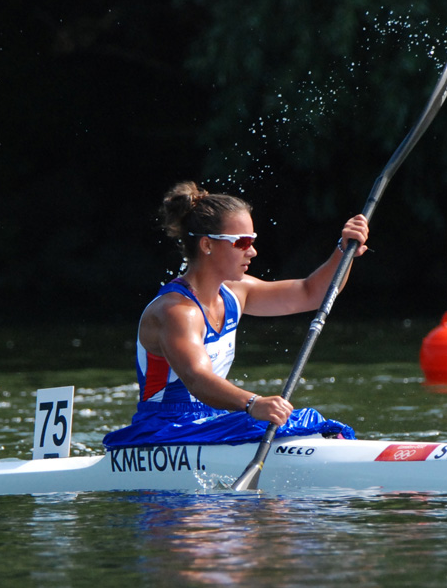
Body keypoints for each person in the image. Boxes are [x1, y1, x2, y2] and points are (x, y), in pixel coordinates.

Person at [103, 181, 369, 448]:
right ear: (207, 245)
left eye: (252, 241)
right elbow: (197, 378)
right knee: (297, 423)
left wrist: (342, 251)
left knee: (316, 426)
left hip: (214, 421)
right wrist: (253, 403)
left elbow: (312, 293)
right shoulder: (176, 311)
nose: (252, 251)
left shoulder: (236, 293)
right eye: (241, 242)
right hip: (163, 431)